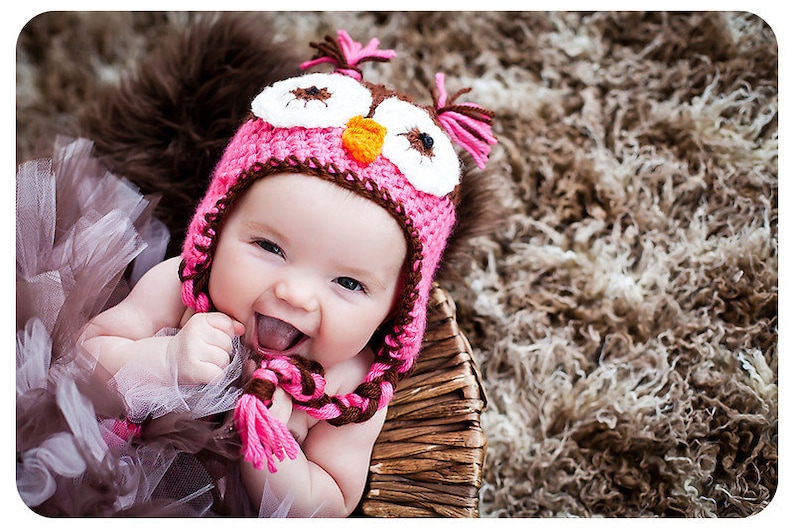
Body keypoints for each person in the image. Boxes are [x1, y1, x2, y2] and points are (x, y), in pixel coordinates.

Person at [21, 29, 496, 517]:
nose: (295, 294)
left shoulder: (352, 386)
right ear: (216, 228)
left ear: (395, 311)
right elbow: (84, 359)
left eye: (349, 283)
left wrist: (272, 450)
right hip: (95, 465)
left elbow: (332, 503)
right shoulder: (180, 288)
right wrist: (165, 361)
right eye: (270, 247)